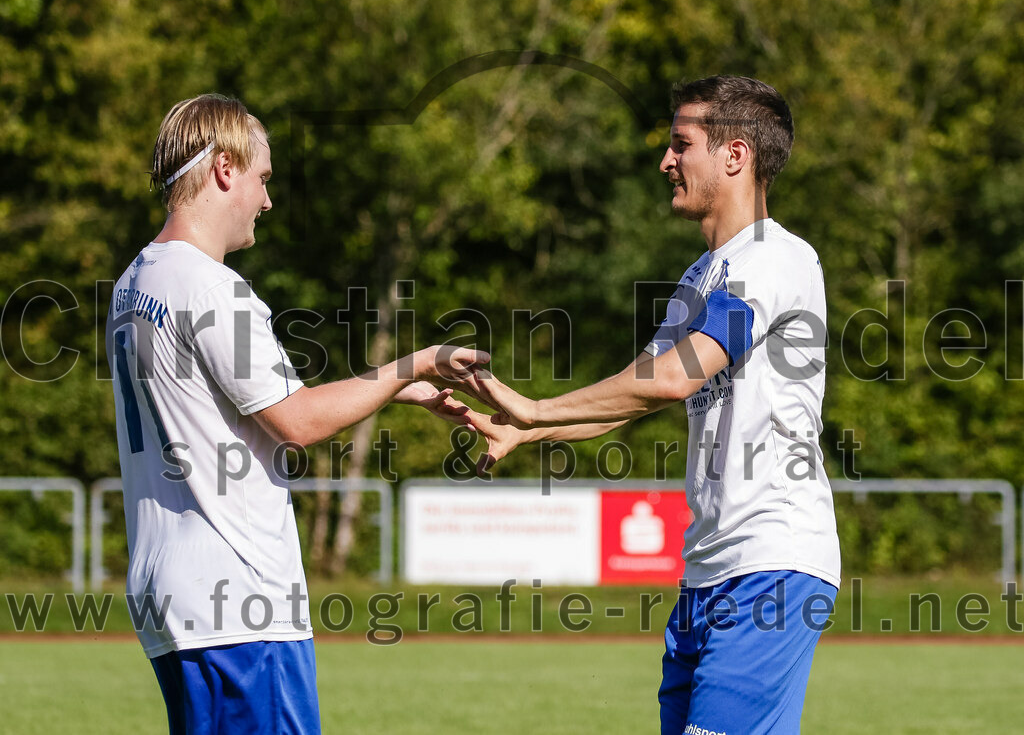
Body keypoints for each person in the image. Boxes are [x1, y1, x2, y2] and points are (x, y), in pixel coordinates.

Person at [462, 76, 841, 734]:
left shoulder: (774, 259)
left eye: (680, 144)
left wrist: (537, 409)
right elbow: (632, 394)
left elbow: (672, 379)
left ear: (735, 155)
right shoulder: (700, 277)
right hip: (708, 572)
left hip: (772, 564)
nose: (666, 161)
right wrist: (527, 430)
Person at [106, 93, 482, 734]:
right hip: (238, 597)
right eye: (263, 178)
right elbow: (297, 422)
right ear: (225, 168)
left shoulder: (135, 281)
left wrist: (392, 391)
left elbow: (240, 407)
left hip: (173, 592)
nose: (267, 199)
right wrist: (414, 365)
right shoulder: (210, 286)